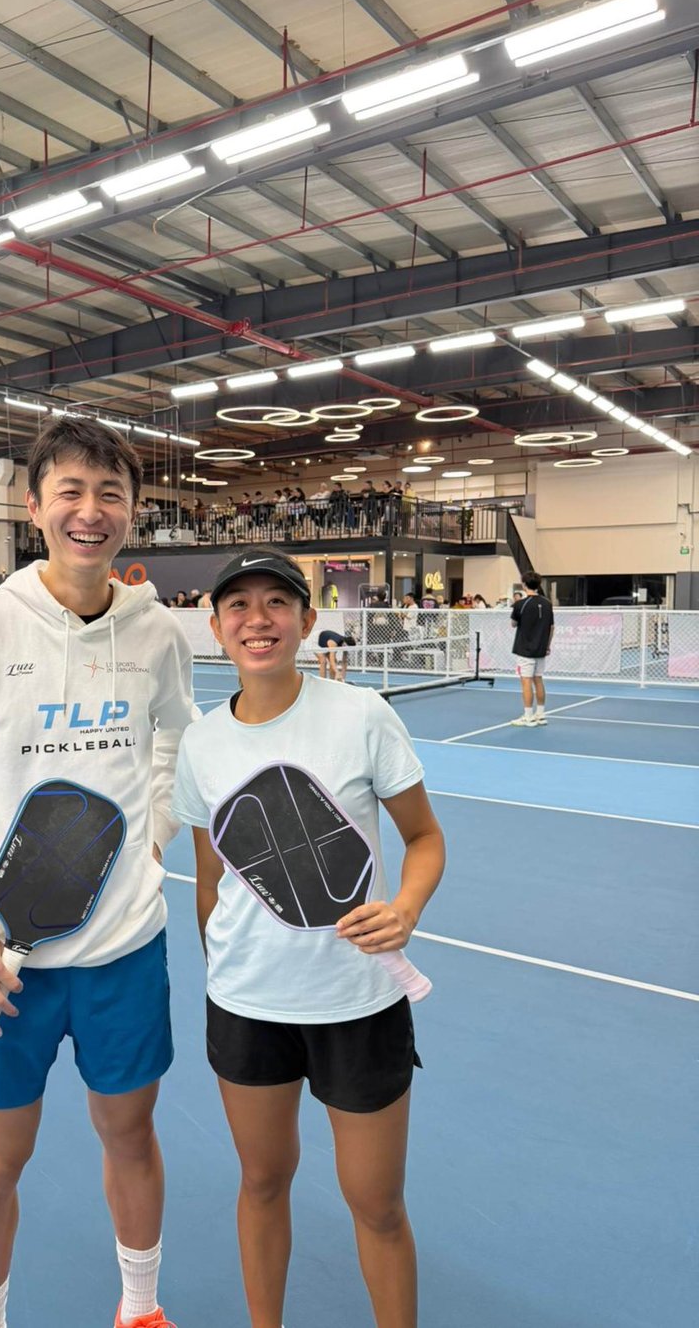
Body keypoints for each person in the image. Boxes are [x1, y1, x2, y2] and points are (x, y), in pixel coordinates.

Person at [0, 416, 196, 1328]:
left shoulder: (158, 634)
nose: (89, 511)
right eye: (69, 491)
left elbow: (173, 739)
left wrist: (150, 840)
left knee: (131, 1134)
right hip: (0, 967)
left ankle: (139, 1308)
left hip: (124, 955)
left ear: (133, 514)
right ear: (35, 508)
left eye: (110, 494)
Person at [171, 547, 444, 1328]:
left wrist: (408, 909)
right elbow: (210, 880)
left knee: (378, 1204)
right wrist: (224, 973)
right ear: (217, 627)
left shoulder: (360, 716)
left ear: (307, 619)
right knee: (261, 1182)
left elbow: (425, 839)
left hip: (358, 1001)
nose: (258, 620)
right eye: (239, 607)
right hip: (248, 1005)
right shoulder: (201, 745)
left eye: (276, 603)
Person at [510, 572, 554, 727]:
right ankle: (540, 715)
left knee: (526, 681)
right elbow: (551, 627)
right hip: (541, 649)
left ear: (524, 585)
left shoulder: (520, 604)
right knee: (538, 679)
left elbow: (513, 624)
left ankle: (528, 716)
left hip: (525, 650)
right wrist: (547, 645)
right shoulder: (548, 603)